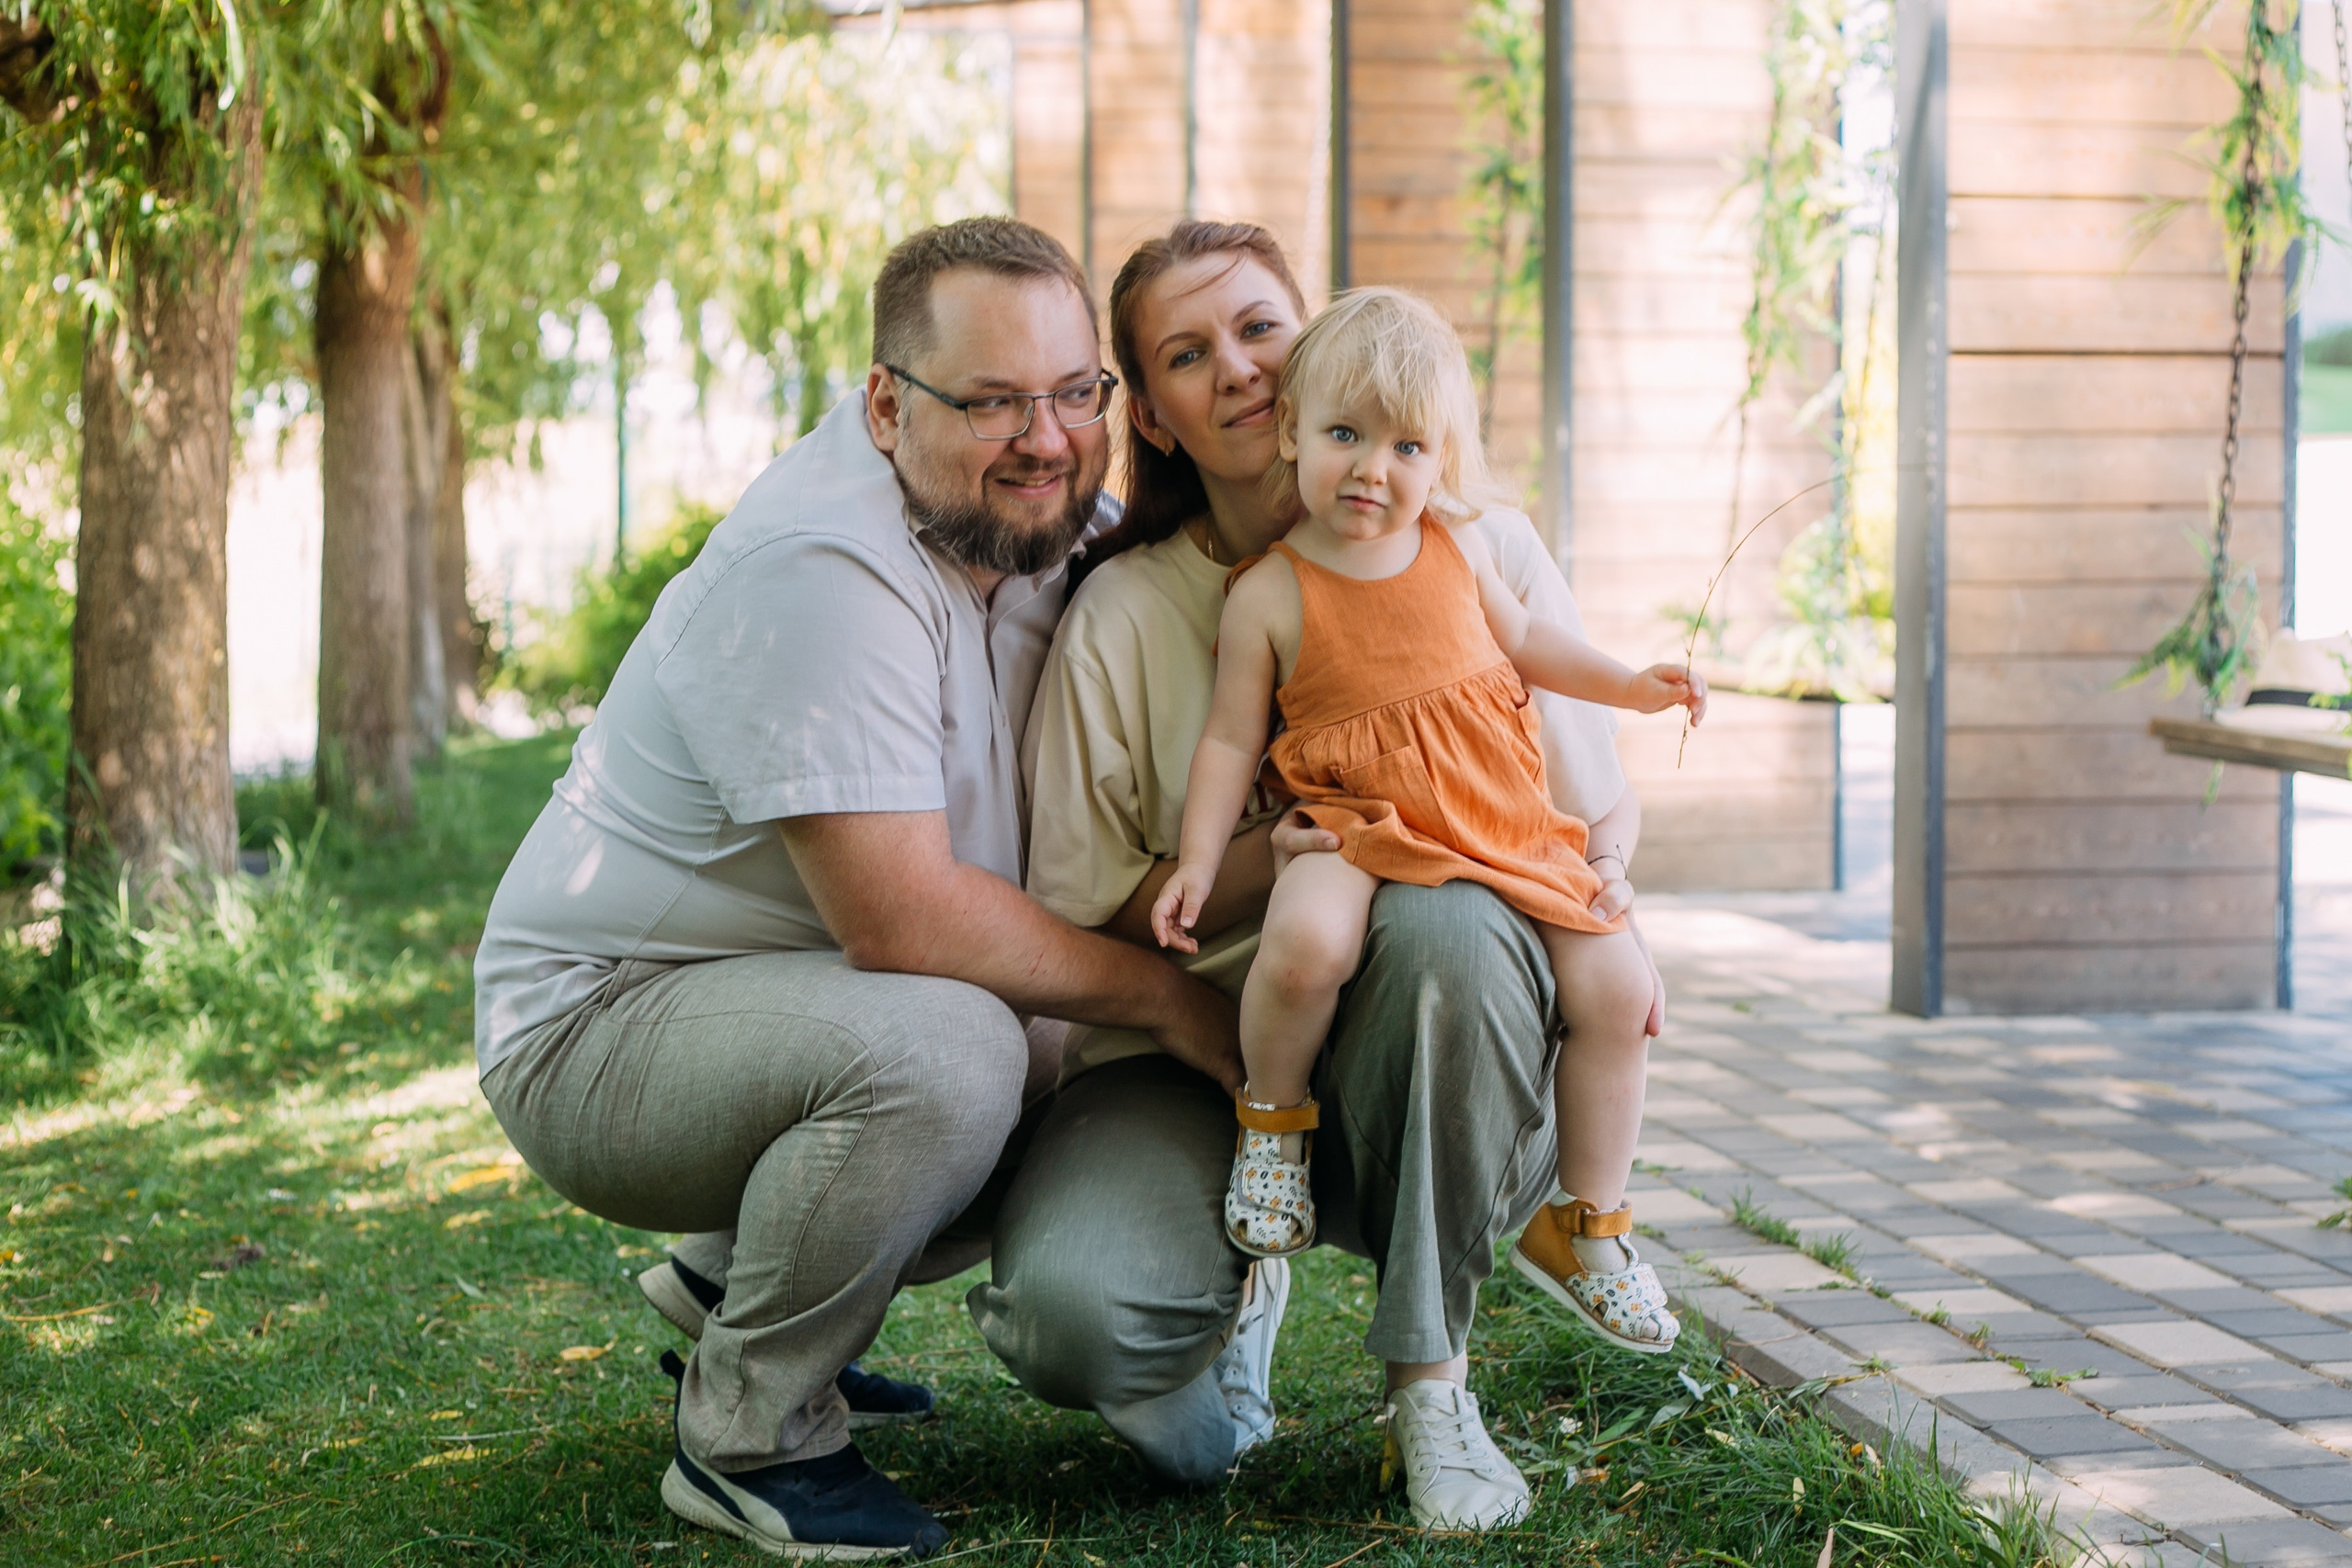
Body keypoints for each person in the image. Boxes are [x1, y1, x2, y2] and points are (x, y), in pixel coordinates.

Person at [471, 217, 1270, 1562]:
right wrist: (1173, 1003)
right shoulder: (822, 566)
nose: (1047, 439)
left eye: (1076, 392)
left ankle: (734, 1275)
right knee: (964, 1043)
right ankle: (751, 1432)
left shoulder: (1027, 521)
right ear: (887, 406)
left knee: (1024, 1016)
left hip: (772, 1003)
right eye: (993, 401)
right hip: (595, 1030)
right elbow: (903, 918)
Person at [1011, 220, 1672, 1534]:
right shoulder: (1127, 614)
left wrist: (1607, 898)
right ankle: (1232, 1279)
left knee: (1446, 929)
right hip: (1191, 1053)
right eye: (1188, 355)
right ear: (1152, 416)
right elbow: (1078, 913)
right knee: (1073, 1314)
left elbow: (1590, 809)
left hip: (1437, 1042)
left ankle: (1430, 1383)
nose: (1239, 368)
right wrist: (1268, 857)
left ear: (1312, 341)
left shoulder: (1477, 548)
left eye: (1261, 327)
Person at [1150, 286, 1704, 1357]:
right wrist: (1198, 863)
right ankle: (1274, 1126)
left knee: (1621, 992)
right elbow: (1227, 741)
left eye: (1406, 446)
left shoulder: (1457, 548)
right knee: (1305, 943)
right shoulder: (1271, 591)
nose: (1372, 469)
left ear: (1441, 457)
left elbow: (1531, 643)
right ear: (1292, 433)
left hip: (1494, 814)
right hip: (1355, 818)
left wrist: (1631, 688)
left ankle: (1590, 1221)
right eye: (1344, 436)